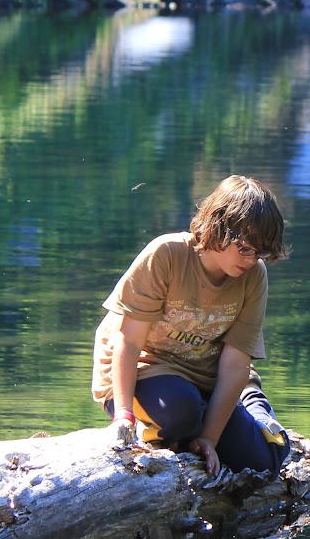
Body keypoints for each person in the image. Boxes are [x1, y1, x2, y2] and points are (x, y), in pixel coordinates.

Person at [92, 175, 291, 477]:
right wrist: (123, 415)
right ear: (218, 227)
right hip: (145, 370)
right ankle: (189, 422)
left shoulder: (254, 276)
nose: (252, 260)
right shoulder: (167, 255)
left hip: (206, 379)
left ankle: (249, 397)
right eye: (245, 249)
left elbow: (235, 364)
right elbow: (129, 342)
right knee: (179, 415)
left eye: (260, 253)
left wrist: (209, 439)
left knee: (263, 463)